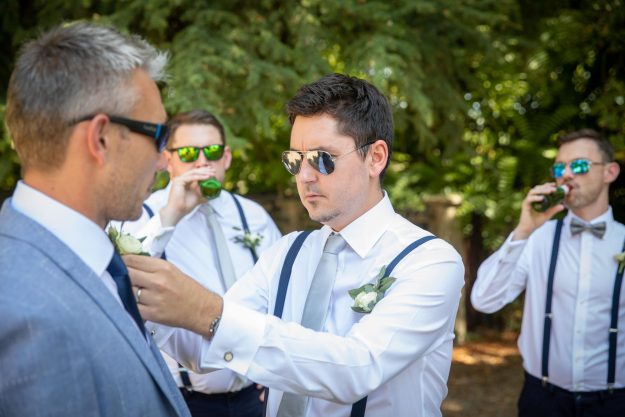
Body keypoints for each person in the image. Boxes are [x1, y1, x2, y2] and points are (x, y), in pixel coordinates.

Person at [126, 73, 465, 417]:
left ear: (375, 157)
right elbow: (204, 351)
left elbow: (357, 369)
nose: (304, 176)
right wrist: (154, 305)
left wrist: (208, 310)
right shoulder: (287, 252)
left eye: (322, 158)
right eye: (295, 160)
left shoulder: (429, 262)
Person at [0, 23, 190, 417]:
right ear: (100, 138)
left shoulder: (92, 262)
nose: (163, 161)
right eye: (158, 136)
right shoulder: (23, 315)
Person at [118, 109, 282, 417]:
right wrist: (171, 216)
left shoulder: (252, 215)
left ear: (227, 157)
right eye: (189, 153)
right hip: (181, 400)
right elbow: (123, 283)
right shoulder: (144, 215)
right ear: (168, 160)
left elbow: (282, 293)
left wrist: (277, 375)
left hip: (255, 397)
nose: (202, 162)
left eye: (213, 151)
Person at [471, 129, 625, 416]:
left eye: (579, 165)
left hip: (615, 403)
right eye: (559, 168)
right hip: (542, 400)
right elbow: (484, 300)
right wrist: (523, 231)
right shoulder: (537, 237)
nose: (566, 174)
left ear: (610, 172)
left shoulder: (623, 240)